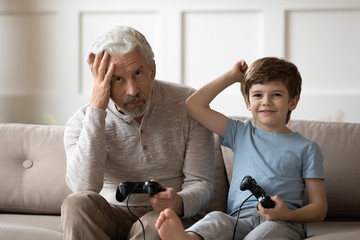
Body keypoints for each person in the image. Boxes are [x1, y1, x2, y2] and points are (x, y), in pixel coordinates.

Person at [61, 25, 215, 240]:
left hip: (168, 216)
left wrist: (177, 202)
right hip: (113, 215)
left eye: (138, 73)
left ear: (152, 69)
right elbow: (83, 188)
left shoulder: (189, 104)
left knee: (155, 222)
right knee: (76, 203)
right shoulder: (82, 121)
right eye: (117, 79)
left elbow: (202, 182)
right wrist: (97, 110)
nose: (132, 90)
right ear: (100, 80)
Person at [155, 57, 328, 240]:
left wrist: (287, 215)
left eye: (276, 94)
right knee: (215, 219)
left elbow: (320, 208)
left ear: (292, 102)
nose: (266, 101)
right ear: (247, 102)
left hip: (282, 223)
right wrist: (232, 76)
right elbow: (193, 105)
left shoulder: (307, 148)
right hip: (239, 220)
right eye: (257, 95)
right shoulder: (239, 132)